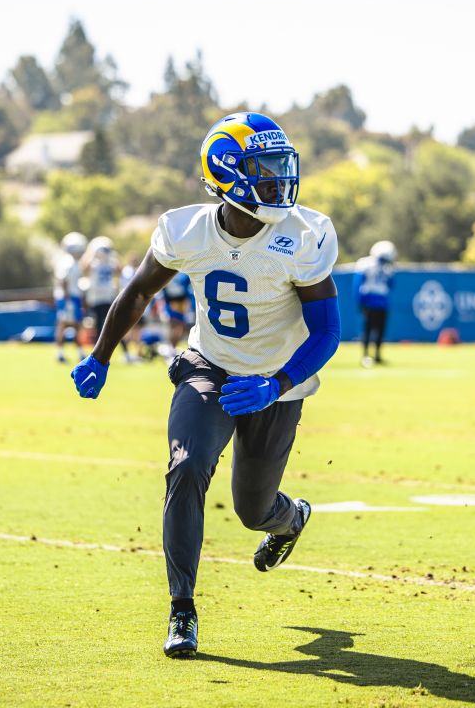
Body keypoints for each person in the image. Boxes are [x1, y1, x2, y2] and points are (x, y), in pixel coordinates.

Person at [68, 113, 340, 659]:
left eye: (280, 166)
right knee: (186, 466)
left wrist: (277, 382)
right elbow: (139, 291)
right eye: (263, 169)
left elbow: (328, 330)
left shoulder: (302, 234)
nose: (278, 179)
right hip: (209, 367)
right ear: (226, 174)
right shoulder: (186, 229)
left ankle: (290, 518)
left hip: (275, 383)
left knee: (252, 509)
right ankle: (182, 610)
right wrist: (100, 355)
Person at [354, 240, 397, 367]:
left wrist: (359, 300)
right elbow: (391, 285)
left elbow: (357, 284)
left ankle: (368, 355)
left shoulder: (365, 264)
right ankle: (372, 355)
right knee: (377, 330)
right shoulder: (387, 268)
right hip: (379, 301)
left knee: (370, 330)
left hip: (371, 300)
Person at [53, 232, 87, 363]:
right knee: (65, 325)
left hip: (72, 297)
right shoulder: (67, 262)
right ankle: (61, 354)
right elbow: (63, 281)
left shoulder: (73, 262)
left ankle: (79, 353)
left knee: (75, 325)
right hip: (68, 298)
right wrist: (67, 299)